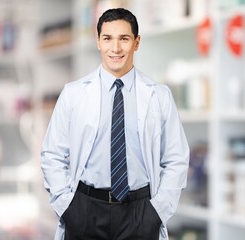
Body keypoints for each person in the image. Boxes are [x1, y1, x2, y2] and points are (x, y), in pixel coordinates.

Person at [41, 8, 189, 240]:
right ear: (98, 42)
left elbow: (176, 159)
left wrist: (157, 212)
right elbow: (52, 154)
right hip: (85, 210)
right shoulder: (73, 94)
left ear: (137, 42)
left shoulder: (159, 96)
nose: (116, 48)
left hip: (140, 211)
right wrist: (68, 208)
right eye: (107, 38)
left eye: (124, 39)